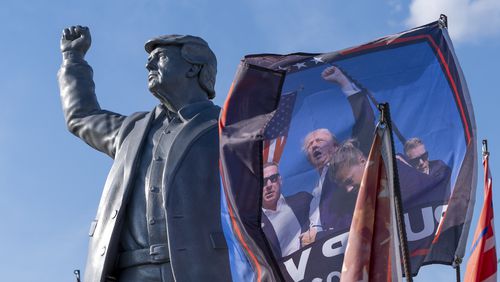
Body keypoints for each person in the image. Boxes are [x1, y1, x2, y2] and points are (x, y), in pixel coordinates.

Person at [58, 26, 230, 281]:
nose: (149, 66)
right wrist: (73, 60)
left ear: (193, 68)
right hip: (131, 272)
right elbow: (82, 116)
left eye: (159, 58)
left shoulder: (227, 129)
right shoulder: (132, 130)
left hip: (200, 269)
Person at [300, 66, 375, 246]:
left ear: (336, 146)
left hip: (350, 247)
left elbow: (365, 126)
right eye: (309, 144)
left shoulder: (347, 170)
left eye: (319, 140)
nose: (314, 145)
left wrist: (343, 82)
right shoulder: (311, 190)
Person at [260, 163, 312, 258]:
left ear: (280, 180)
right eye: (263, 182)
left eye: (273, 179)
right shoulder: (254, 225)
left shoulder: (304, 200)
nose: (269, 185)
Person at [397, 138, 452, 206]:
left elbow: (434, 186)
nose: (421, 162)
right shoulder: (406, 181)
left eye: (424, 156)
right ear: (409, 162)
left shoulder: (440, 167)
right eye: (415, 160)